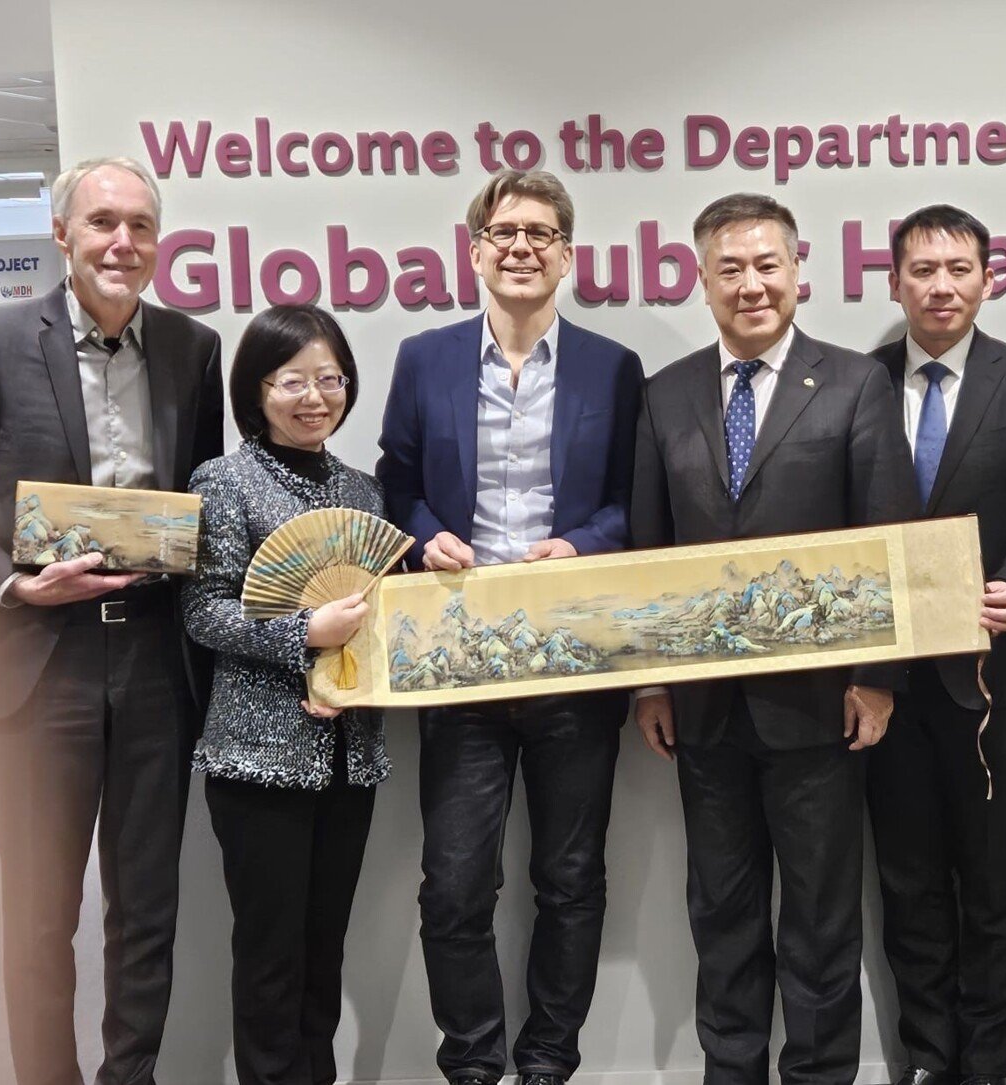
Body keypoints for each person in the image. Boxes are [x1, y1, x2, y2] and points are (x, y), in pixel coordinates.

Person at [0, 156, 223, 1085]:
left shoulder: (193, 348)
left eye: (141, 225)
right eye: (103, 222)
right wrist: (13, 587)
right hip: (35, 663)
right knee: (37, 914)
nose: (123, 242)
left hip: (153, 663)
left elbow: (204, 504)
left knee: (147, 909)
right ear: (62, 233)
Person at [630, 192, 916, 1085]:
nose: (750, 285)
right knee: (721, 909)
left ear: (799, 270)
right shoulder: (664, 392)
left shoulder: (855, 382)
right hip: (702, 706)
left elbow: (885, 533)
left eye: (766, 266)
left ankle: (821, 1074)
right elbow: (647, 546)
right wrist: (647, 682)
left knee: (823, 918)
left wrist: (876, 675)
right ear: (701, 279)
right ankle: (733, 1071)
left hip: (821, 704)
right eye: (730, 269)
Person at [376, 170, 643, 1085]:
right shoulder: (424, 358)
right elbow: (396, 484)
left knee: (569, 883)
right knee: (453, 887)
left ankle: (547, 1064)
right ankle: (475, 1068)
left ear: (568, 254)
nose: (521, 246)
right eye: (504, 231)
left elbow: (630, 502)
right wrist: (424, 539)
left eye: (541, 232)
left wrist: (579, 543)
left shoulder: (614, 366)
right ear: (476, 249)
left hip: (574, 657)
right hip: (462, 664)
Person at [867, 205, 1006, 1085]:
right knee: (906, 881)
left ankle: (986, 1065)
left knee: (989, 883)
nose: (940, 285)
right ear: (893, 282)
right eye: (922, 270)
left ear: (988, 277)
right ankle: (928, 1058)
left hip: (991, 679)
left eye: (958, 269)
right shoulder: (853, 380)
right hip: (881, 683)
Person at [181, 304, 384, 1085]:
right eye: (292, 379)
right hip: (257, 756)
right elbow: (205, 610)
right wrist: (305, 634)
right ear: (256, 390)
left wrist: (350, 676)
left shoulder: (363, 490)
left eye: (329, 378)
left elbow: (373, 617)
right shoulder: (223, 481)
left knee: (323, 947)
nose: (314, 396)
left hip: (348, 754)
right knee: (269, 953)